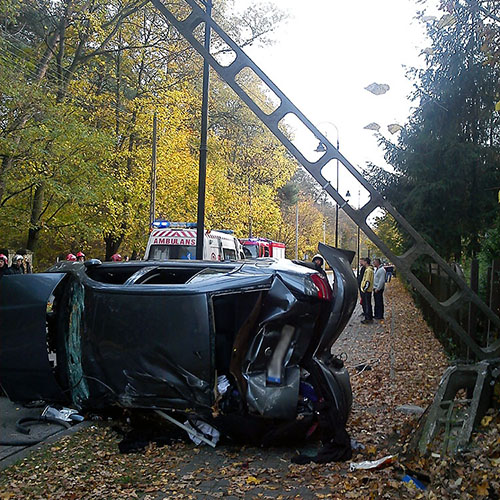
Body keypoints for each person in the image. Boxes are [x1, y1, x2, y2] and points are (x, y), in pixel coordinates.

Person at [360, 257, 374, 324]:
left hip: (366, 291)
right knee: (368, 304)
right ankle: (369, 317)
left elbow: (367, 281)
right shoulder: (369, 270)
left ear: (366, 262)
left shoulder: (368, 270)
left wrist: (364, 289)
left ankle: (368, 318)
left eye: (363, 261)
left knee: (367, 304)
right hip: (367, 290)